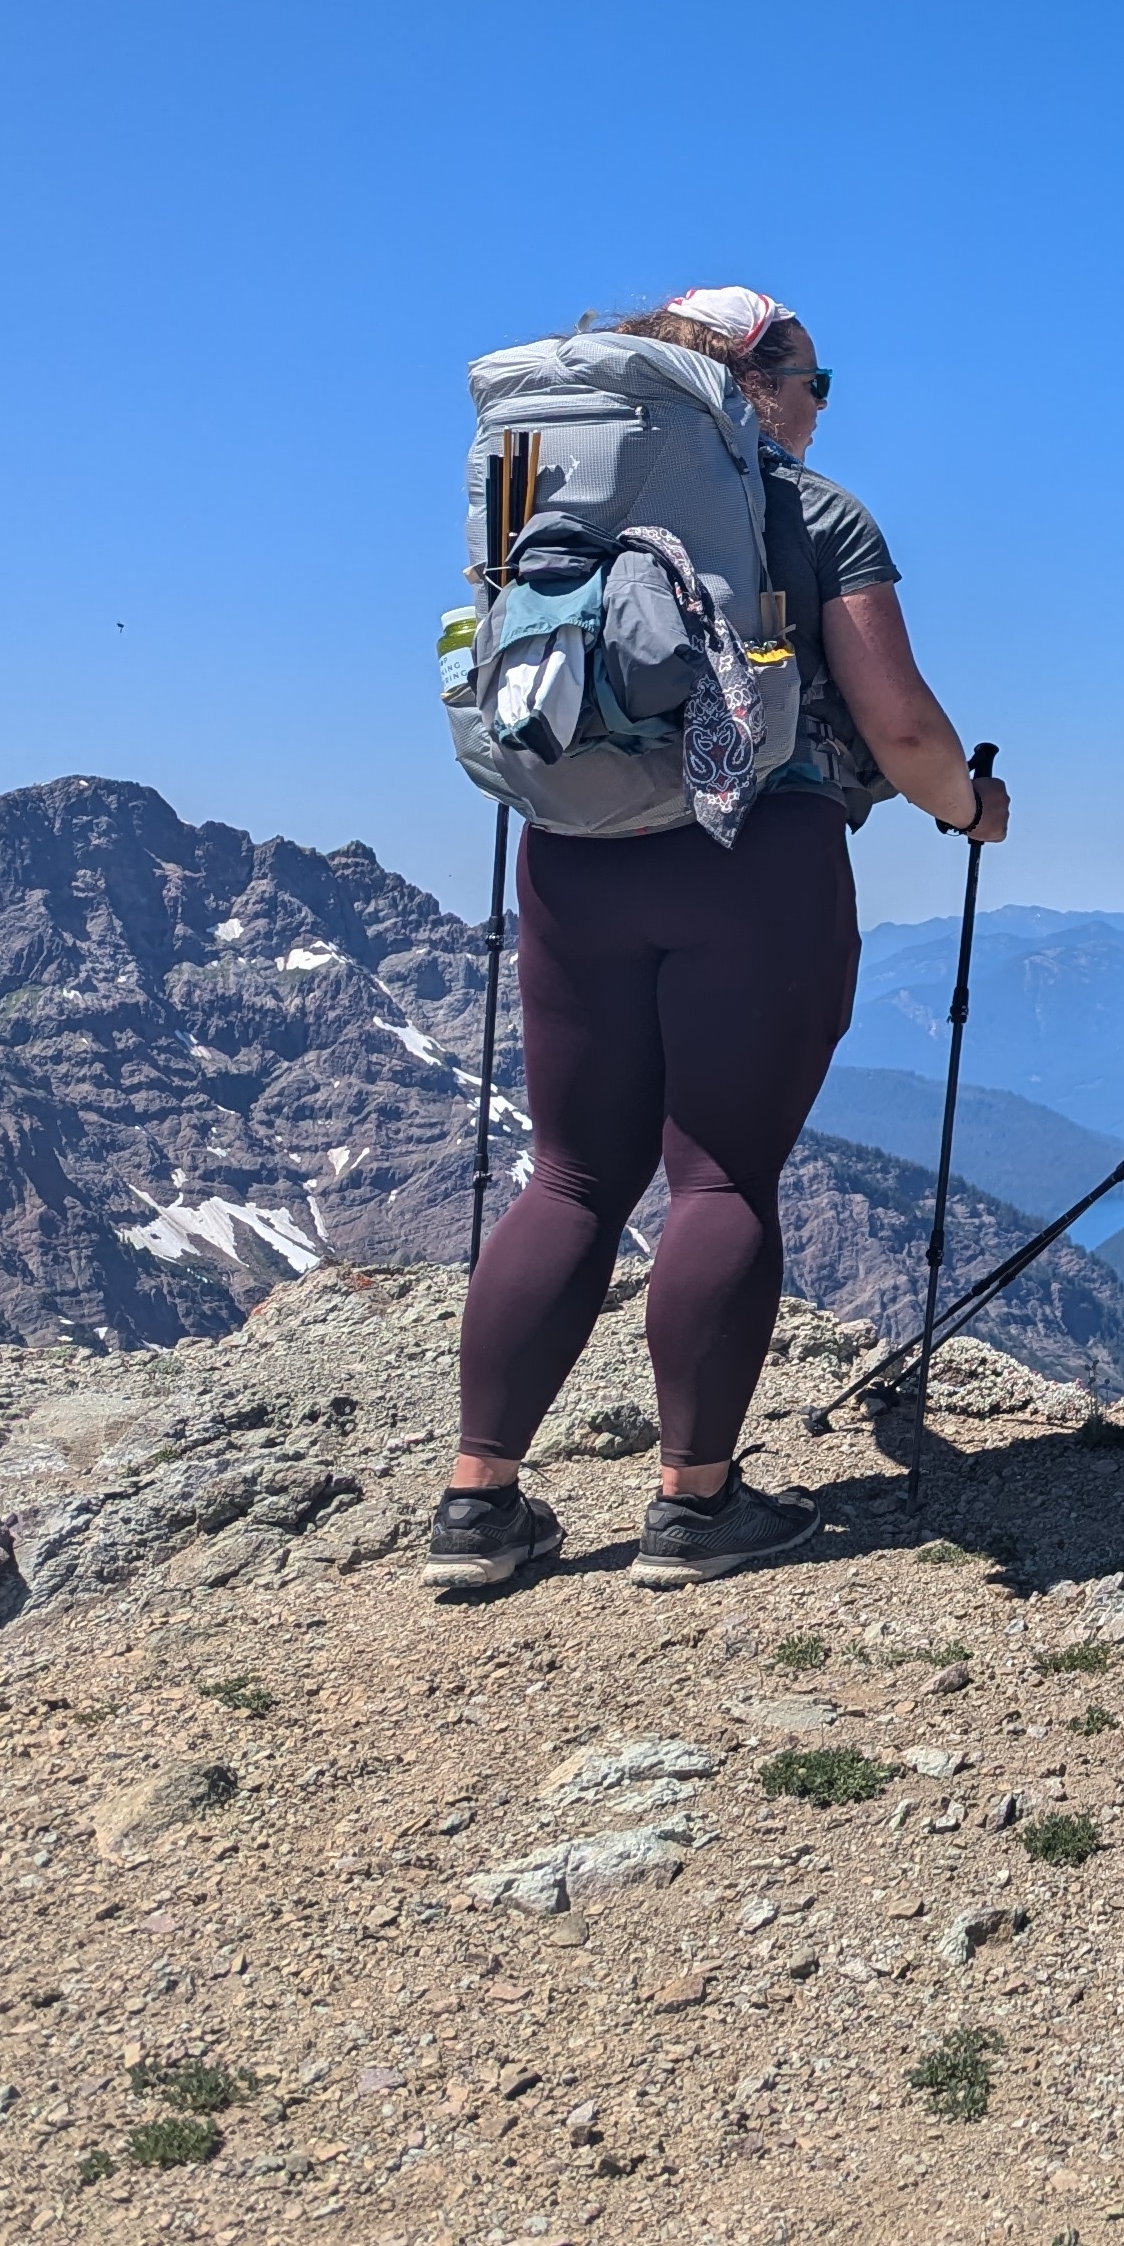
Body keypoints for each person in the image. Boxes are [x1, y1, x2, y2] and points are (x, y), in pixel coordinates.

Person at [428, 286, 1008, 1597]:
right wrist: (973, 809)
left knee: (570, 1176)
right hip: (753, 859)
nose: (818, 402)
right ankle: (694, 1506)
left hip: (570, 862)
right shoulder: (814, 512)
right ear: (761, 379)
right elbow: (904, 730)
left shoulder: (544, 499)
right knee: (718, 1181)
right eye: (813, 377)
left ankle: (479, 1504)